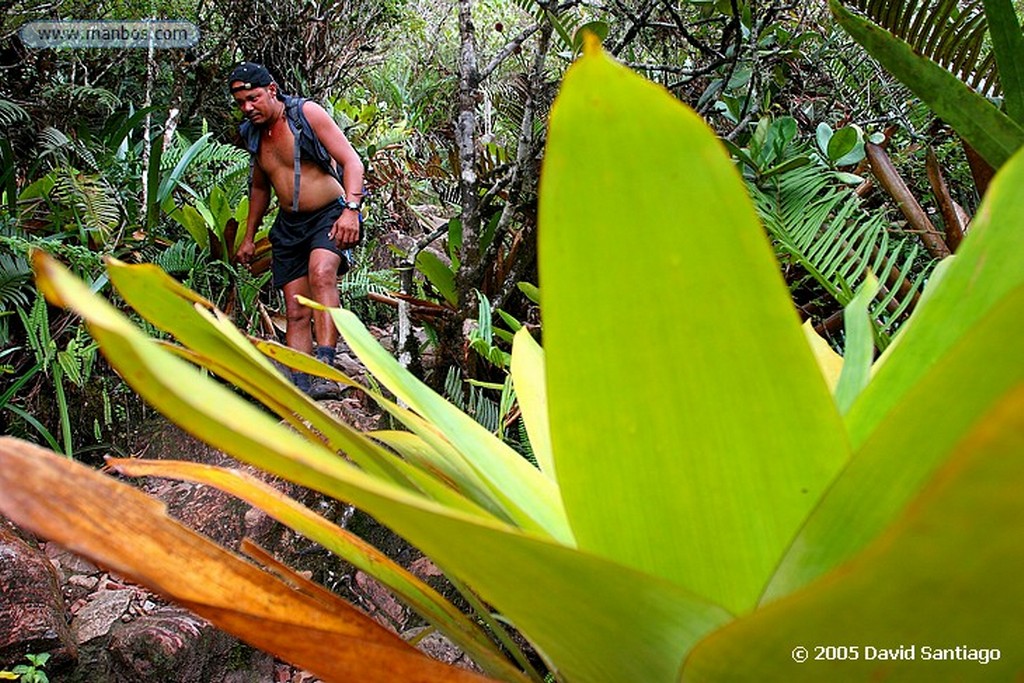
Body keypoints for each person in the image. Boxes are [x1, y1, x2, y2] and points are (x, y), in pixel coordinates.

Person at [229, 62, 364, 399]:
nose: (248, 107)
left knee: (321, 274)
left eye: (254, 98)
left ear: (272, 90)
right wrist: (248, 237)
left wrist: (351, 210)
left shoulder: (306, 114)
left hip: (329, 215)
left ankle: (326, 367)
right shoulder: (253, 134)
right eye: (241, 102)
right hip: (289, 226)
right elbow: (260, 188)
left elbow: (352, 161)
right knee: (295, 308)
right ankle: (301, 385)